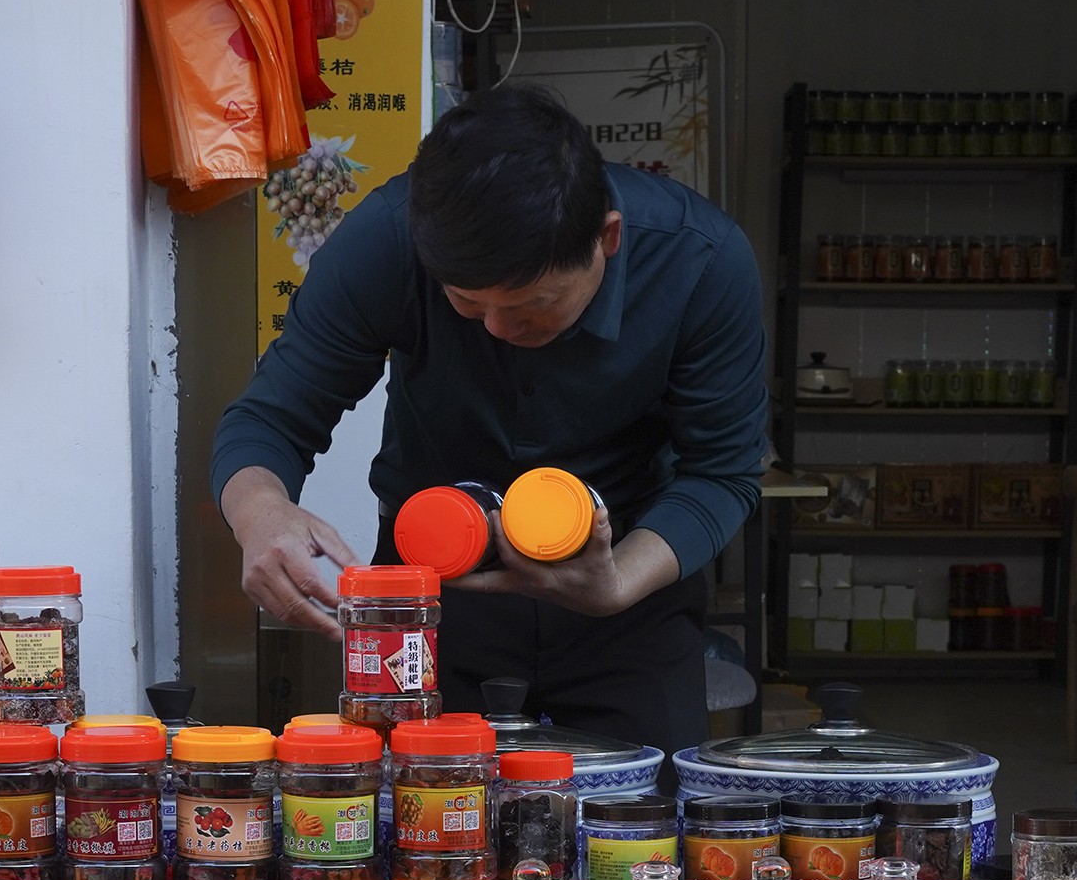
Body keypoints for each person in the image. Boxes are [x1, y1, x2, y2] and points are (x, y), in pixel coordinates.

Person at [211, 84, 767, 758]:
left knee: (634, 840)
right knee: (419, 835)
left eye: (533, 305)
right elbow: (272, 416)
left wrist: (618, 580)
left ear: (607, 240)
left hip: (626, 596)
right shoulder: (387, 238)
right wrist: (260, 512)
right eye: (468, 304)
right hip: (430, 597)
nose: (500, 328)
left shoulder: (700, 261)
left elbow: (723, 472)